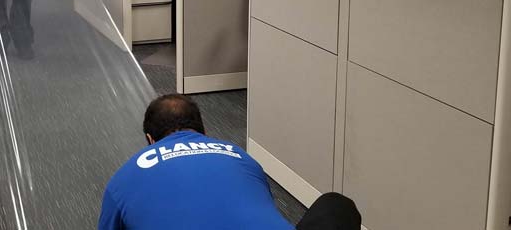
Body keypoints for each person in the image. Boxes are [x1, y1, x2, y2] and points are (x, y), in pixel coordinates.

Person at [99, 94, 361, 230]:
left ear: (150, 139)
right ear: (203, 131)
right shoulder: (240, 156)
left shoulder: (124, 177)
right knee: (336, 205)